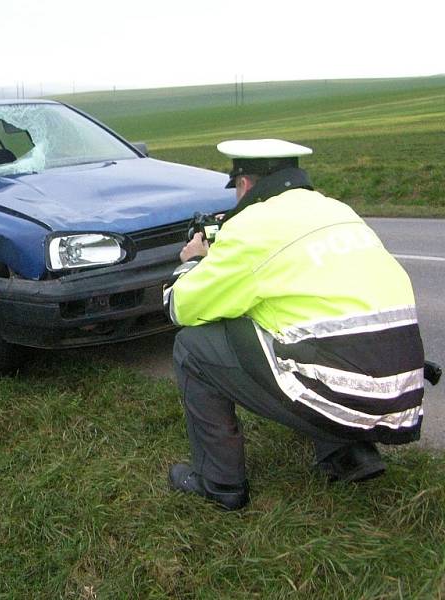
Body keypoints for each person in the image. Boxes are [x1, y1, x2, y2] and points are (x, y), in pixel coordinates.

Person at [163, 139, 426, 510]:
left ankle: (219, 484)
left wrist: (194, 262)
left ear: (245, 185)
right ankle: (350, 455)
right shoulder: (338, 211)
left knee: (193, 346)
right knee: (303, 324)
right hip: (403, 398)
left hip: (346, 397)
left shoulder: (251, 226)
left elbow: (182, 308)